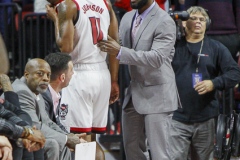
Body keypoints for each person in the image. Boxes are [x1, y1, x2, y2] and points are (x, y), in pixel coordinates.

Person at [98, 0, 179, 159]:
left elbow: (156, 58)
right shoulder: (128, 17)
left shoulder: (165, 21)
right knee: (132, 149)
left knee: (159, 153)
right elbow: (116, 50)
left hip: (158, 93)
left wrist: (120, 51)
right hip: (134, 91)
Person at [46, 0, 120, 159]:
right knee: (91, 140)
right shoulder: (106, 4)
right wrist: (114, 81)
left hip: (79, 75)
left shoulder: (69, 5)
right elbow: (115, 43)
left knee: (79, 141)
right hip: (102, 73)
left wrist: (55, 19)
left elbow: (65, 49)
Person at [169, 6, 240, 160]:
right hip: (176, 118)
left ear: (207, 24)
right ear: (183, 22)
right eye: (193, 18)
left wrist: (214, 83)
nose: (198, 22)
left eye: (202, 19)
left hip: (205, 119)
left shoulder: (216, 48)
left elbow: (235, 74)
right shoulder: (173, 47)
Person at [12, 58, 86, 160]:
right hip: (14, 137)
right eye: (40, 74)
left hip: (28, 135)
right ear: (27, 75)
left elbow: (47, 122)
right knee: (53, 143)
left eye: (48, 75)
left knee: (61, 142)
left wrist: (68, 136)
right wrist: (66, 139)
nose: (46, 78)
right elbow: (34, 125)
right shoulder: (22, 92)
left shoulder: (36, 90)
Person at [0, 73, 46, 160]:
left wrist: (29, 131)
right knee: (17, 142)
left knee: (33, 141)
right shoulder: (22, 90)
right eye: (40, 74)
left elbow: (12, 113)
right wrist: (26, 133)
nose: (46, 78)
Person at [41, 52, 73, 133]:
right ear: (62, 77)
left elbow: (56, 123)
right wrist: (67, 139)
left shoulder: (57, 93)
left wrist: (70, 136)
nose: (73, 73)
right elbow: (46, 127)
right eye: (71, 70)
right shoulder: (42, 96)